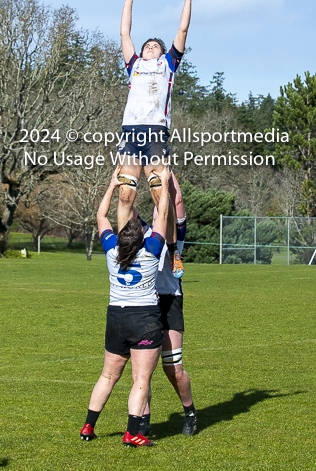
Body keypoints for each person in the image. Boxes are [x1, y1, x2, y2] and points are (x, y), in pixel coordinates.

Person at [80, 164, 171, 447]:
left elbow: (100, 215)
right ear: (142, 238)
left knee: (108, 375)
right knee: (140, 380)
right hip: (144, 318)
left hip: (115, 318)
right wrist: (164, 184)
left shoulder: (111, 250)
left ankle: (87, 427)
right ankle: (133, 433)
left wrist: (111, 185)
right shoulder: (152, 250)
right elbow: (163, 214)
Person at [115, 0, 196, 280]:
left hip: (155, 134)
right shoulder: (134, 65)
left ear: (162, 53)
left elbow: (183, 28)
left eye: (153, 46)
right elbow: (125, 35)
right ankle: (125, 255)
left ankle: (173, 252)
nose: (148, 47)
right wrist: (128, 1)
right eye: (146, 45)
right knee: (125, 196)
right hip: (130, 133)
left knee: (162, 196)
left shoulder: (168, 65)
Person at [135, 173, 197, 437]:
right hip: (146, 301)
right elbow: (126, 206)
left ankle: (190, 413)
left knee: (173, 368)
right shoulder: (145, 232)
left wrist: (166, 173)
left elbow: (176, 200)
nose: (160, 203)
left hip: (170, 301)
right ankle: (144, 422)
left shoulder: (176, 233)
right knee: (142, 371)